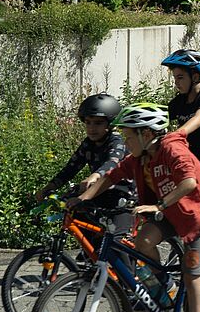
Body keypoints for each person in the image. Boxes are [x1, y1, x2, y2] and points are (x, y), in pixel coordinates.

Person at [71, 103, 200, 312]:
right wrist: (83, 198)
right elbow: (109, 177)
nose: (125, 142)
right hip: (173, 214)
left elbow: (189, 182)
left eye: (129, 136)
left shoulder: (172, 149)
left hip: (198, 216)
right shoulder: (139, 158)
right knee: (143, 242)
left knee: (192, 274)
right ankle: (166, 288)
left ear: (147, 135)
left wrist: (159, 205)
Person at [32, 93, 136, 235]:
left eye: (98, 123)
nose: (92, 128)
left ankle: (118, 253)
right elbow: (70, 169)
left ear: (110, 124)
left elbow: (112, 163)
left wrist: (94, 176)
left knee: (117, 238)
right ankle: (91, 249)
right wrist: (48, 188)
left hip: (123, 193)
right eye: (88, 122)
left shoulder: (116, 141)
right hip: (100, 191)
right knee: (73, 207)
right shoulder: (88, 144)